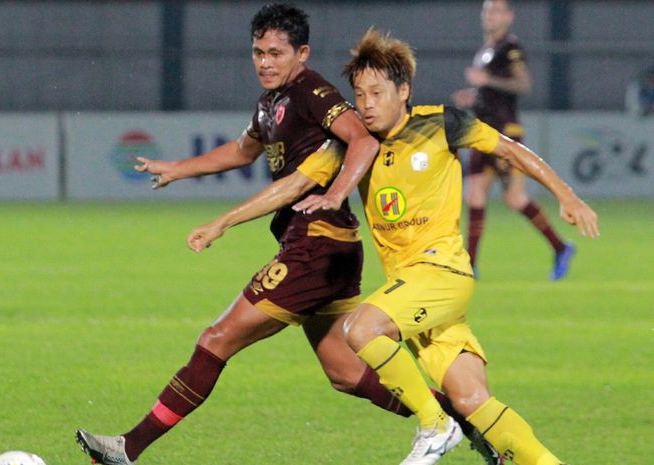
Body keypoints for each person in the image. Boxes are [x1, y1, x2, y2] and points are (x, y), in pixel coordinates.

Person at [74, 5, 497, 465]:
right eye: (258, 52)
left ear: (302, 53)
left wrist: (334, 194)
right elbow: (241, 150)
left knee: (217, 338)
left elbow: (364, 140)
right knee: (343, 372)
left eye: (276, 53)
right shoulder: (270, 103)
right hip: (323, 248)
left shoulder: (312, 91)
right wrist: (177, 169)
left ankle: (126, 449)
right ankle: (459, 417)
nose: (265, 62)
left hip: (315, 244)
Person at [293, 28, 599, 465]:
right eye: (359, 94)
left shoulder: (441, 123)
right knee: (474, 399)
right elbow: (297, 181)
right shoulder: (357, 144)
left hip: (440, 273)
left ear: (404, 91)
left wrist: (566, 195)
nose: (367, 104)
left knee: (361, 330)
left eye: (377, 92)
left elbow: (511, 151)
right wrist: (224, 220)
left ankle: (436, 425)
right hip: (415, 292)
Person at [451, 0, 574, 280]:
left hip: (506, 133)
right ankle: (470, 264)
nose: (490, 16)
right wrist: (473, 96)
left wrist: (486, 81)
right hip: (482, 132)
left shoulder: (510, 47)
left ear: (509, 16)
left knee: (515, 198)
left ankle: (561, 247)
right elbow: (489, 91)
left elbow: (522, 84)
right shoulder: (485, 51)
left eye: (496, 11)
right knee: (474, 194)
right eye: (487, 11)